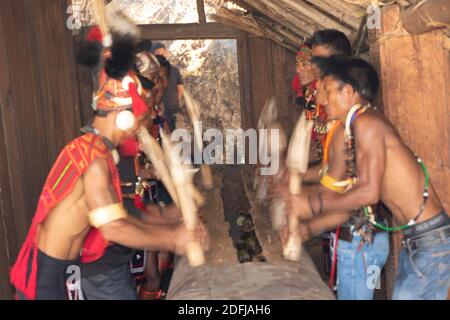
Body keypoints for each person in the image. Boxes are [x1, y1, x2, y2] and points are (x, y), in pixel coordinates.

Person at [10, 28, 208, 300]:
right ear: (123, 117)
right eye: (137, 122)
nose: (136, 130)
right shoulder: (93, 160)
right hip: (46, 276)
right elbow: (114, 229)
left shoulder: (96, 152)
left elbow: (121, 218)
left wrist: (169, 226)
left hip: (64, 271)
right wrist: (172, 239)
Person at [277, 56, 449, 300]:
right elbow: (353, 202)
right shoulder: (356, 128)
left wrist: (312, 204)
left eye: (327, 90)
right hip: (419, 238)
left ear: (347, 91)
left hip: (430, 239)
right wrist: (306, 225)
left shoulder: (366, 124)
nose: (323, 99)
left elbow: (368, 193)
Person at [151, 42, 184, 131]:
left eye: (162, 53)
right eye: (159, 53)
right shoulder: (174, 70)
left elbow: (180, 90)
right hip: (170, 111)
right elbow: (180, 90)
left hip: (163, 112)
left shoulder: (150, 72)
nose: (161, 55)